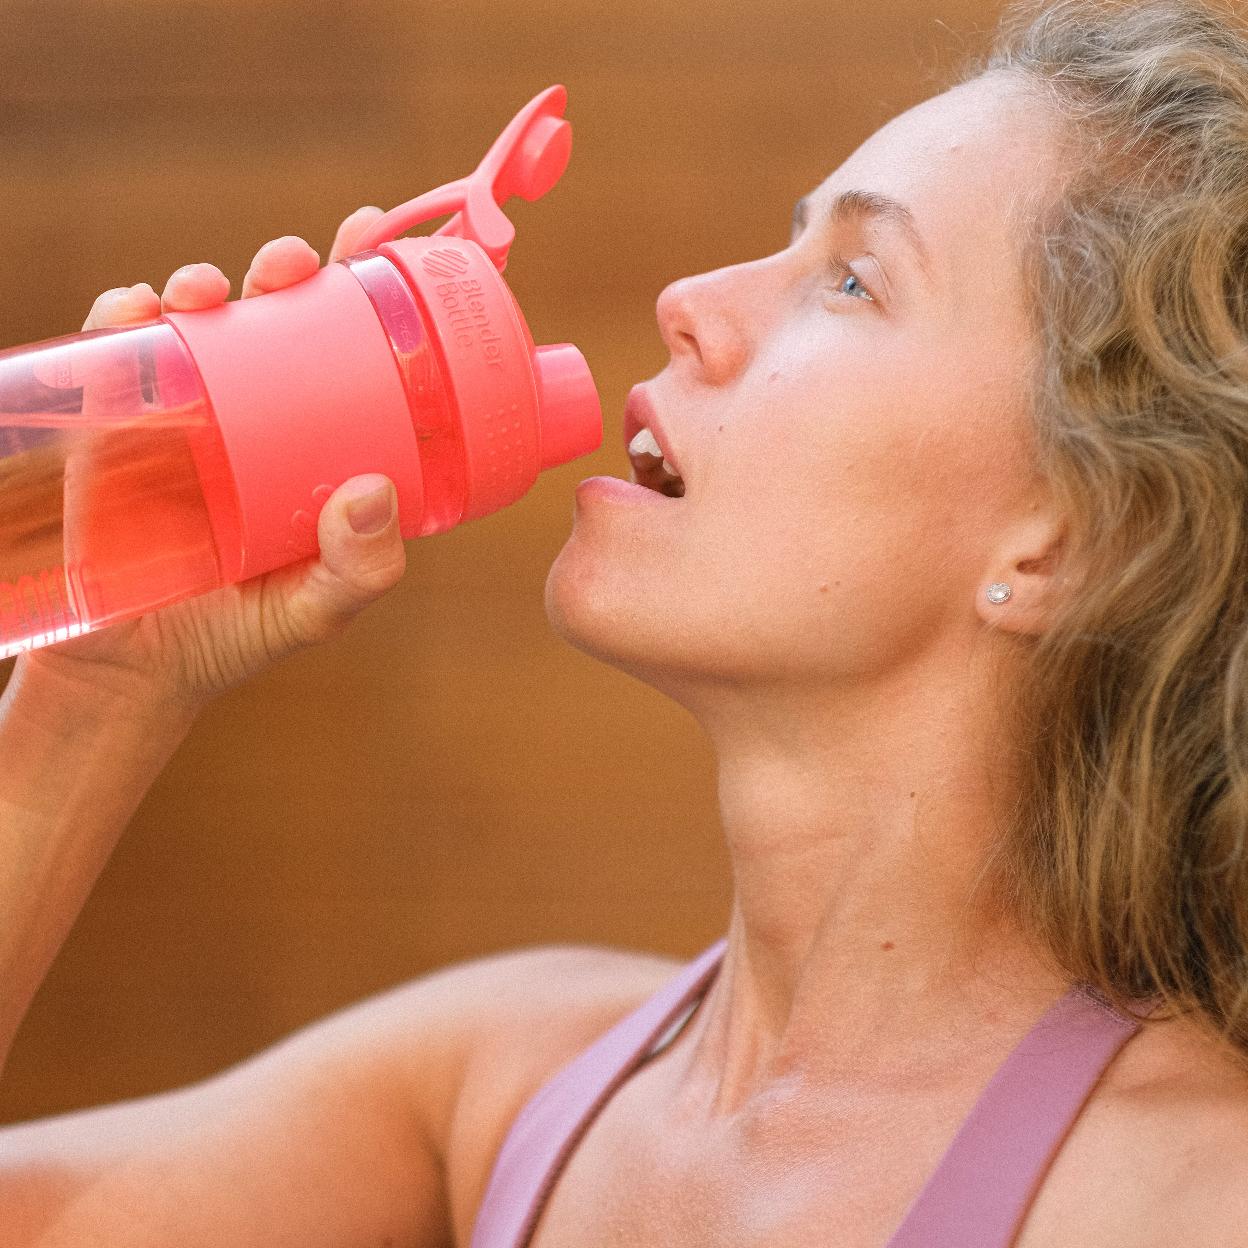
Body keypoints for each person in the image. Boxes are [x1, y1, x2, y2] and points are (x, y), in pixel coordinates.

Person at [4, 0, 1248, 1243]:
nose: (690, 299)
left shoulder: (1187, 1196)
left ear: (1063, 539)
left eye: (855, 282)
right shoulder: (499, 1090)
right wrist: (97, 698)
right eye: (790, 241)